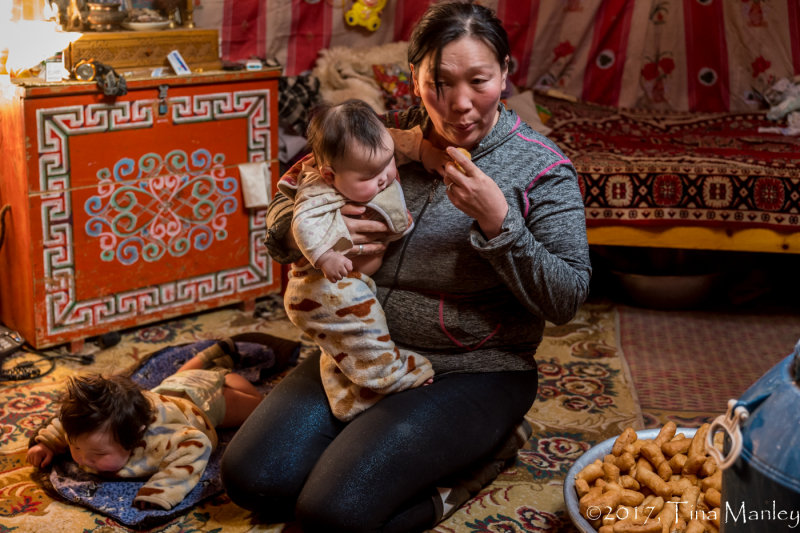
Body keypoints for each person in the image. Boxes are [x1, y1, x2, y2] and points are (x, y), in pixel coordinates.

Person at [222, 2, 591, 531]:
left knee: (331, 515)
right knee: (254, 479)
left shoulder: (541, 168)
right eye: (439, 83)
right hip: (365, 351)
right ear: (413, 78)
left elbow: (567, 299)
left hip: (475, 371)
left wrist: (500, 223)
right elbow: (287, 205)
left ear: (506, 74)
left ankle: (477, 463)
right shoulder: (376, 137)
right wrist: (314, 235)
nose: (460, 105)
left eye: (479, 81)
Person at [279, 99, 443, 421]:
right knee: (366, 334)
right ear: (330, 175)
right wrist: (325, 256)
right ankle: (390, 375)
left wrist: (427, 153)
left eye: (387, 164)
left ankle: (346, 398)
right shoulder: (317, 189)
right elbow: (303, 224)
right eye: (369, 175)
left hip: (349, 286)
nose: (384, 177)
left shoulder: (377, 146)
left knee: (343, 348)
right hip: (324, 287)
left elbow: (404, 141)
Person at [26, 340, 263, 511]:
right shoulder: (93, 425)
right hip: (166, 392)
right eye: (75, 448)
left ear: (135, 437)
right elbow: (64, 425)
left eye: (98, 454)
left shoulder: (161, 439)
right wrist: (46, 443)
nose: (82, 460)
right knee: (174, 381)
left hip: (206, 400)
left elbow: (196, 444)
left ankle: (224, 372)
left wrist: (161, 490)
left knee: (259, 409)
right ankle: (206, 357)